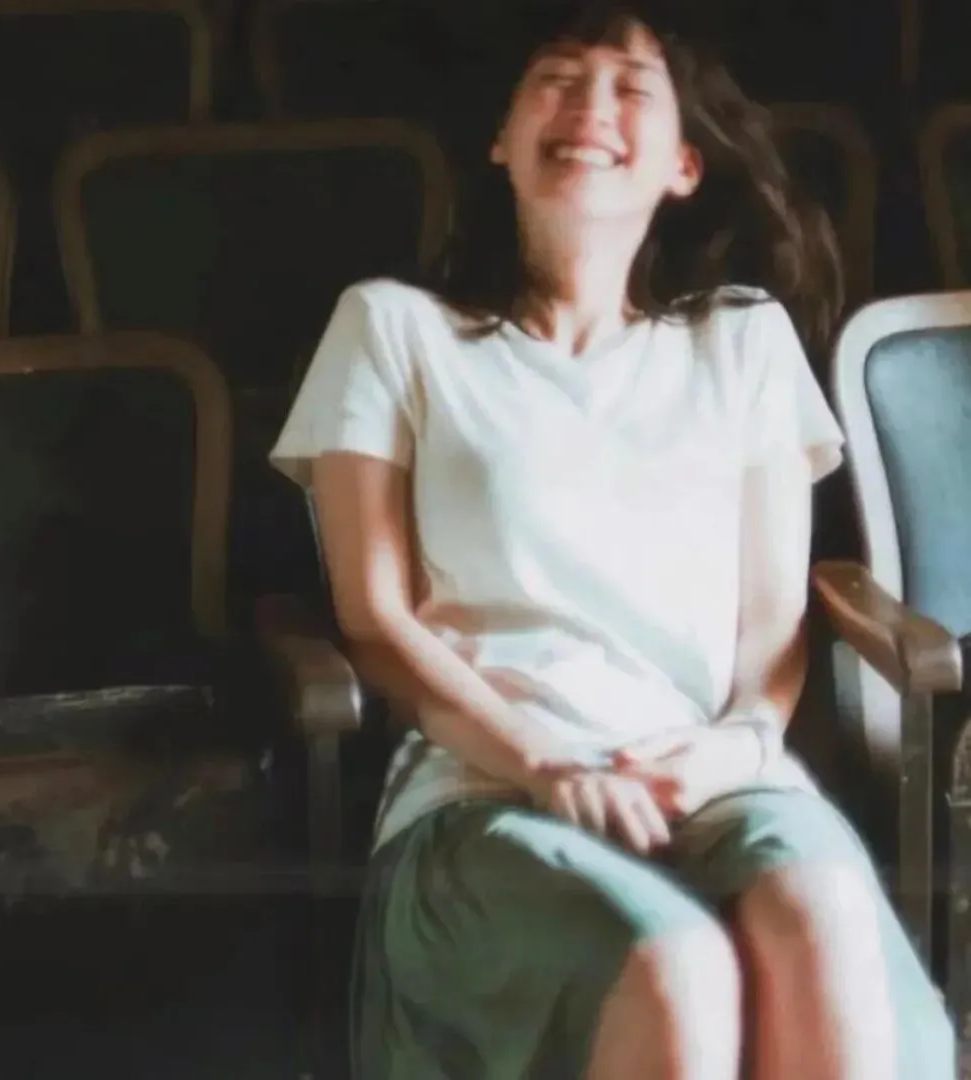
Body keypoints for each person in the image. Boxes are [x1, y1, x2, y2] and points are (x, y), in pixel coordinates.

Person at [269, 2, 956, 1077]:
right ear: (501, 138)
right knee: (676, 966)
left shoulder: (743, 338)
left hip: (717, 775)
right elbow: (375, 619)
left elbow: (771, 626)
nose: (589, 106)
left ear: (683, 165)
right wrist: (542, 761)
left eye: (631, 88)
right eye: (556, 78)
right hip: (487, 787)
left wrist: (736, 745)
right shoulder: (394, 328)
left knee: (822, 916)